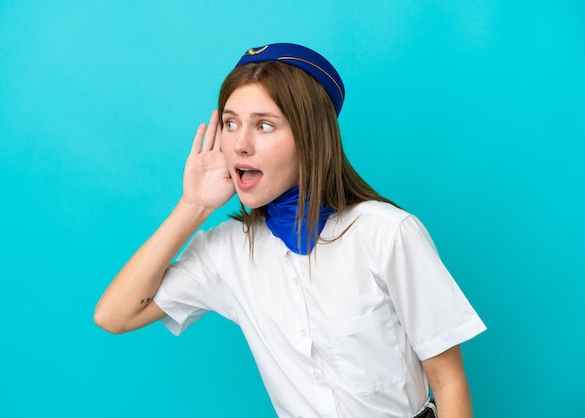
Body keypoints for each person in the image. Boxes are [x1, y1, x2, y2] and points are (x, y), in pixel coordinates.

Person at [94, 42, 486, 418]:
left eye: (264, 125)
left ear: (310, 138)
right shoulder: (225, 252)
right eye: (230, 123)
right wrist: (193, 207)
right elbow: (115, 316)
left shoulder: (386, 233)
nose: (240, 145)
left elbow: (448, 381)